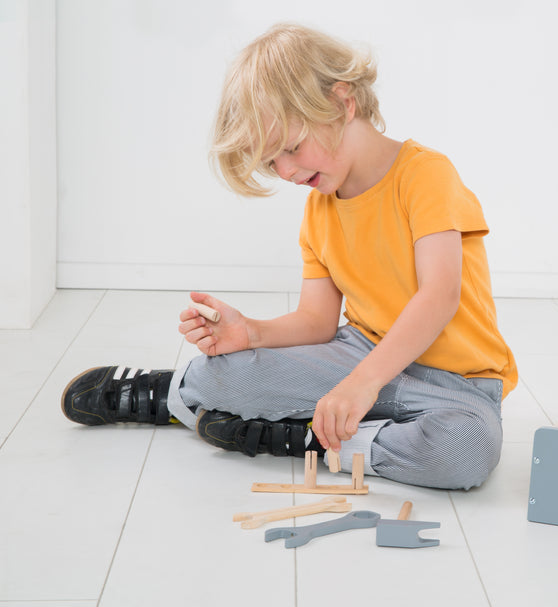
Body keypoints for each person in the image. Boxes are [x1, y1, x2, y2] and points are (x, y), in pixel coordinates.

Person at [62, 23, 517, 490]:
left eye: (291, 148)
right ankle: (174, 393)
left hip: (456, 385)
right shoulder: (320, 208)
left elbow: (439, 296)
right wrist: (252, 333)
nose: (286, 172)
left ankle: (304, 439)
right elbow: (318, 322)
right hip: (358, 355)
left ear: (343, 102)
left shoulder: (426, 175)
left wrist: (361, 385)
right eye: (270, 162)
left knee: (466, 450)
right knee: (231, 372)